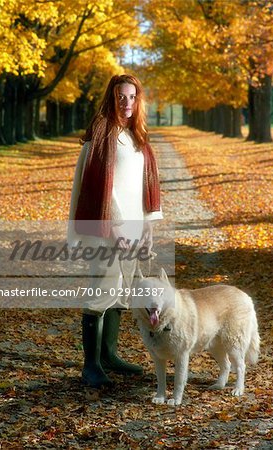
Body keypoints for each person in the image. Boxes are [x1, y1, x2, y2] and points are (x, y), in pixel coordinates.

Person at [68, 74, 163, 388]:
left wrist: (147, 225)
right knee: (101, 290)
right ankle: (90, 365)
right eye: (121, 96)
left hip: (134, 228)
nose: (127, 103)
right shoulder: (101, 134)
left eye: (132, 97)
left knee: (122, 292)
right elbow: (98, 189)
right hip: (107, 227)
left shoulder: (136, 137)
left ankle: (109, 354)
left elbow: (143, 185)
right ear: (111, 98)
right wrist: (117, 227)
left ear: (139, 100)